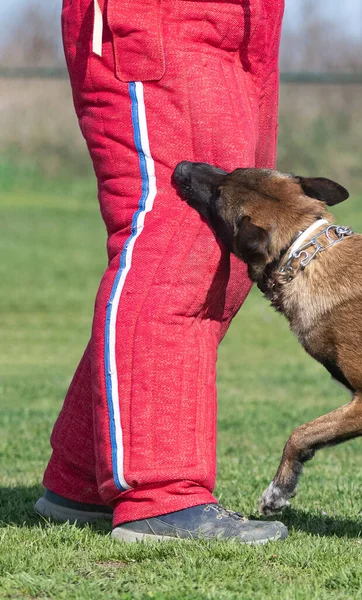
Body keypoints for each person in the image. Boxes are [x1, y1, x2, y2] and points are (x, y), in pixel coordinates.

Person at [35, 0, 287, 543]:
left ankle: (82, 476)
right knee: (179, 237)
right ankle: (159, 494)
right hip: (160, 18)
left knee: (235, 244)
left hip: (250, 22)